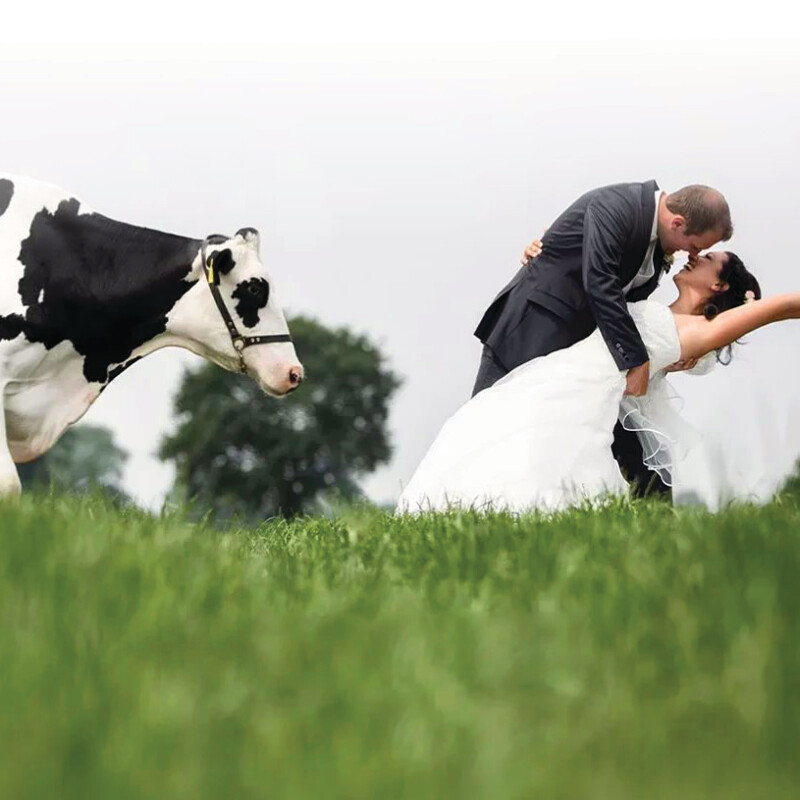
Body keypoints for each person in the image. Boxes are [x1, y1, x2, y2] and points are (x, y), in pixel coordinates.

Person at [396, 250, 770, 514]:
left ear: (720, 285)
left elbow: (779, 307)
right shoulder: (660, 308)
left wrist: (758, 308)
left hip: (587, 391)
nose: (696, 255)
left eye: (708, 259)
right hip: (562, 374)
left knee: (542, 461)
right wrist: (544, 248)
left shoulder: (701, 332)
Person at [472, 181, 732, 496]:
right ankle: (462, 498)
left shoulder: (653, 241)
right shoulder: (618, 205)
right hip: (528, 330)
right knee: (482, 426)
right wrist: (637, 359)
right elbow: (599, 280)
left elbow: (627, 303)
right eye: (694, 246)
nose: (690, 255)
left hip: (576, 351)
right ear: (677, 223)